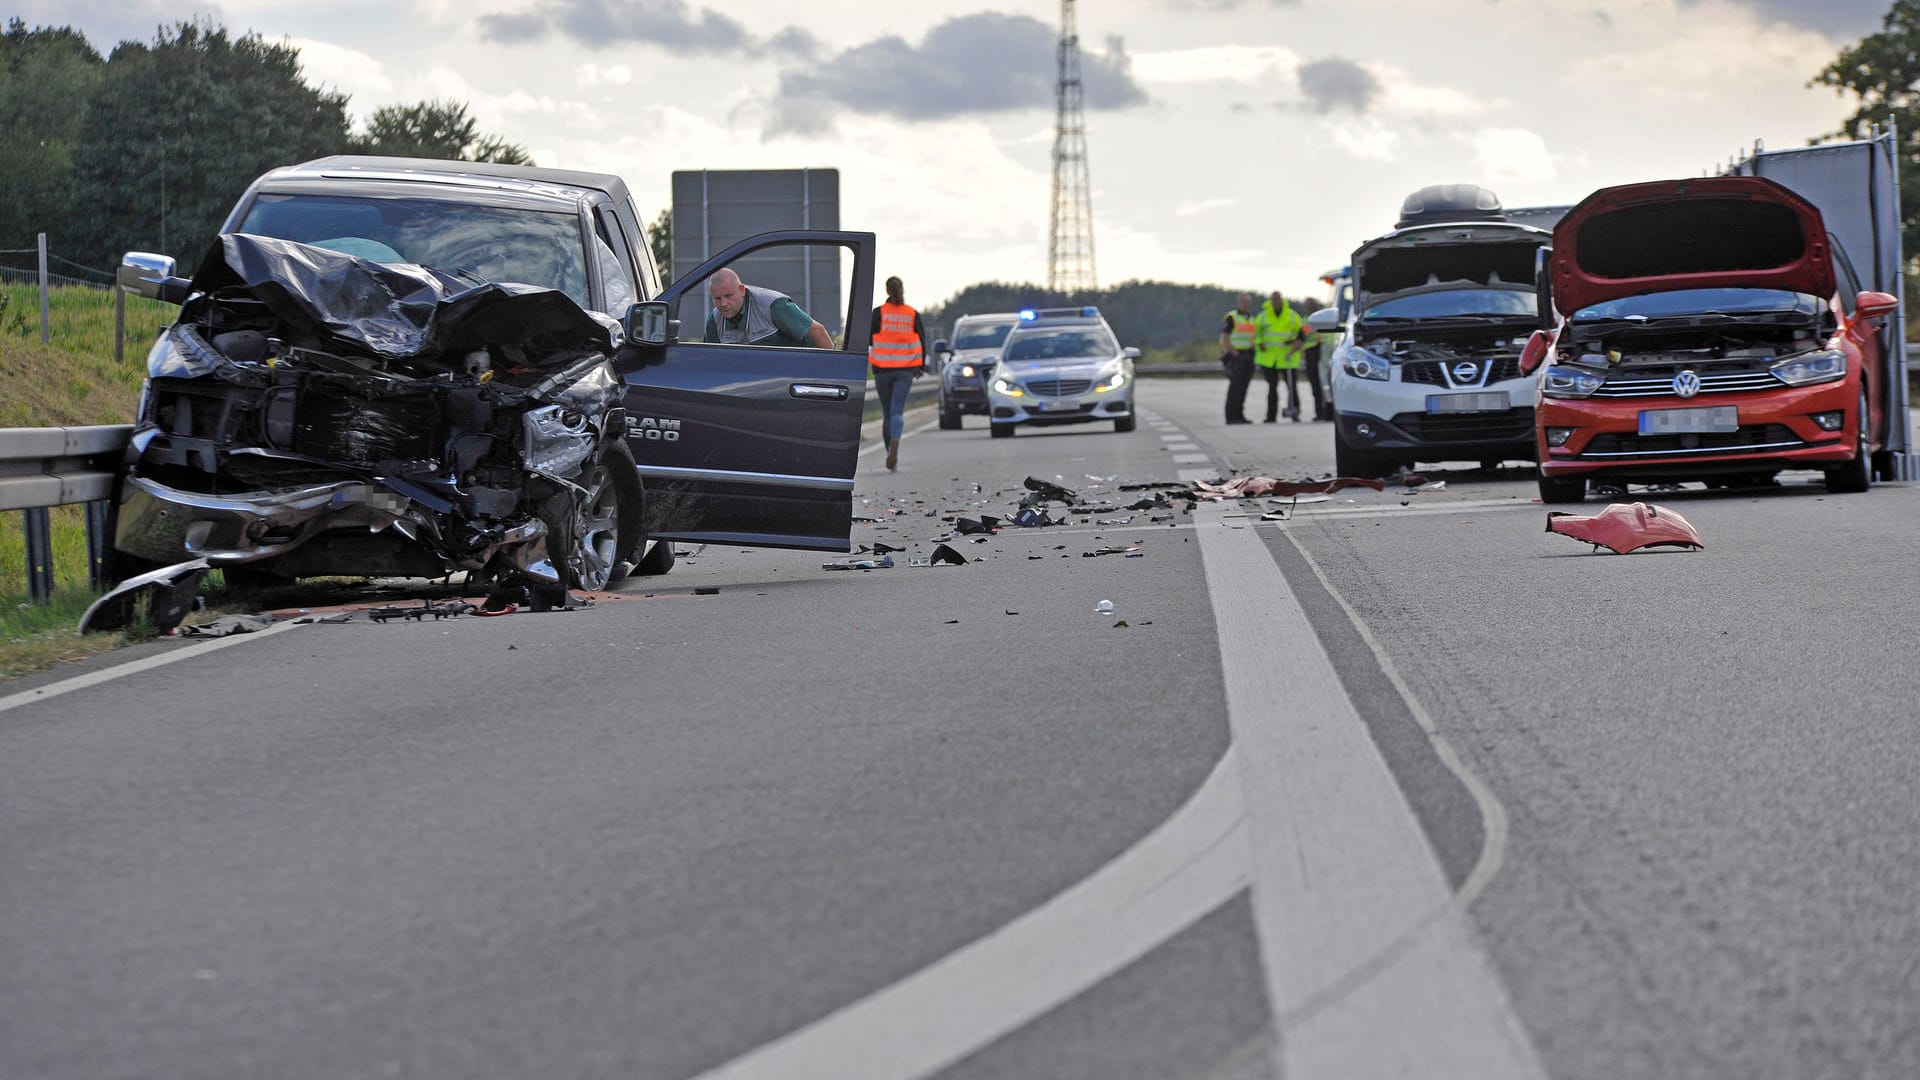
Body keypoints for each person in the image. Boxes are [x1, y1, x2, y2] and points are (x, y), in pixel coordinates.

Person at [867, 275, 927, 470]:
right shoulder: (911, 314)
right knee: (896, 412)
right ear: (902, 289)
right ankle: (895, 445)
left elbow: (868, 340)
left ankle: (888, 452)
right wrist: (920, 367)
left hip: (882, 370)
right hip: (905, 370)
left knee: (886, 413)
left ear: (887, 291)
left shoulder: (878, 313)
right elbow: (921, 341)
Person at [703, 267, 834, 348]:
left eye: (728, 296)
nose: (724, 304)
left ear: (742, 290)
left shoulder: (774, 306)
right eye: (717, 299)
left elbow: (818, 331)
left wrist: (833, 371)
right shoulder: (714, 321)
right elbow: (708, 361)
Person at [1253, 289, 1310, 422]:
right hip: (1269, 358)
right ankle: (1270, 416)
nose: (1276, 302)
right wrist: (1259, 343)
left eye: (1278, 299)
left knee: (1292, 387)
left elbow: (1300, 337)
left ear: (1282, 300)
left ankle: (1295, 411)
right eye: (1273, 299)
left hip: (1288, 358)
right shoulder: (1263, 316)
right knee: (1272, 388)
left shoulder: (1292, 316)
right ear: (1270, 301)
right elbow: (1257, 334)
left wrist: (1293, 348)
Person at [1218, 292, 1257, 424]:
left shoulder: (1251, 319)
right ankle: (1231, 416)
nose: (1245, 304)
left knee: (1243, 388)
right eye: (1243, 301)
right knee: (1235, 388)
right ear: (1238, 303)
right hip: (1237, 356)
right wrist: (1233, 352)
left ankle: (1239, 415)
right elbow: (1225, 337)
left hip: (1249, 355)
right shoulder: (1232, 317)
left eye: (1247, 302)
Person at [1298, 297, 1333, 421]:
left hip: (1324, 352)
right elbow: (1300, 338)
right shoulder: (1304, 321)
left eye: (1311, 305)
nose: (1309, 308)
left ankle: (1329, 413)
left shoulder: (1325, 318)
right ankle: (1319, 413)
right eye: (1307, 306)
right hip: (1311, 354)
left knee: (1327, 384)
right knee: (1315, 386)